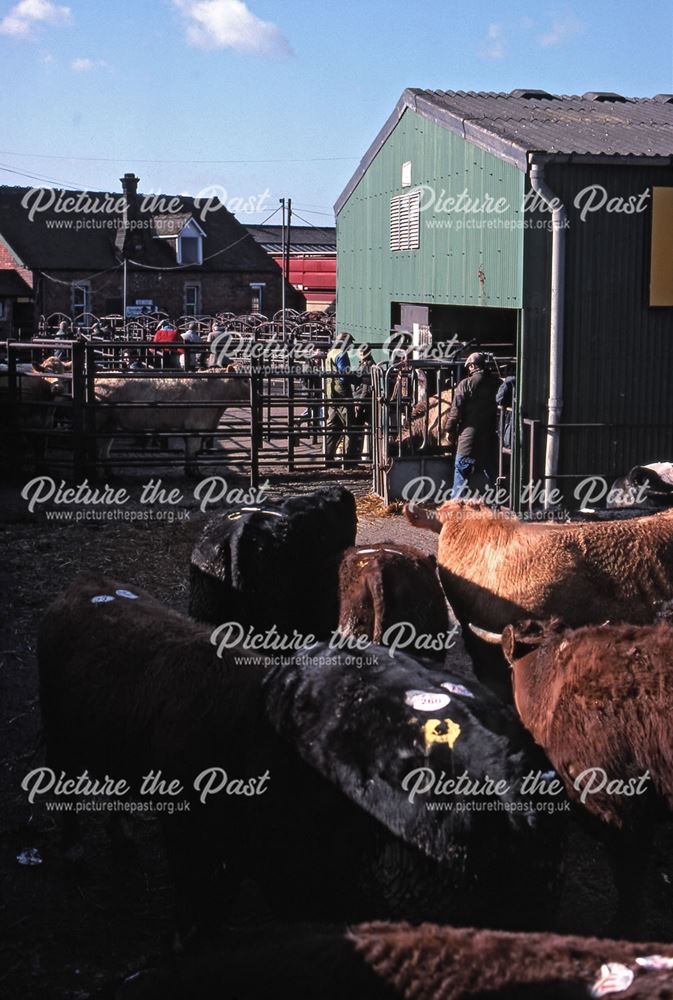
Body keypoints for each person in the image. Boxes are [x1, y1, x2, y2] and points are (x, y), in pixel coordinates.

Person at [446, 352, 500, 499]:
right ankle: (496, 503)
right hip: (489, 439)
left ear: (473, 366)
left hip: (468, 441)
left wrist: (449, 429)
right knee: (493, 475)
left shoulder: (465, 384)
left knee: (461, 473)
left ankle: (457, 508)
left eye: (469, 366)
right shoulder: (497, 383)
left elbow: (455, 412)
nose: (469, 369)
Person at [324, 331, 357, 464]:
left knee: (332, 428)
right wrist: (359, 380)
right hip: (343, 395)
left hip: (331, 395)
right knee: (350, 428)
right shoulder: (341, 355)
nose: (351, 345)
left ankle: (328, 459)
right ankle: (349, 461)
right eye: (349, 342)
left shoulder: (330, 354)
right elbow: (345, 376)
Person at [350, 343, 375, 460]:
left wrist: (359, 403)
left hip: (363, 400)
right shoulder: (368, 365)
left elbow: (365, 387)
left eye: (363, 353)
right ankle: (362, 455)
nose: (361, 355)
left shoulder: (366, 366)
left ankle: (357, 455)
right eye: (361, 353)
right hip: (363, 399)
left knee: (358, 428)